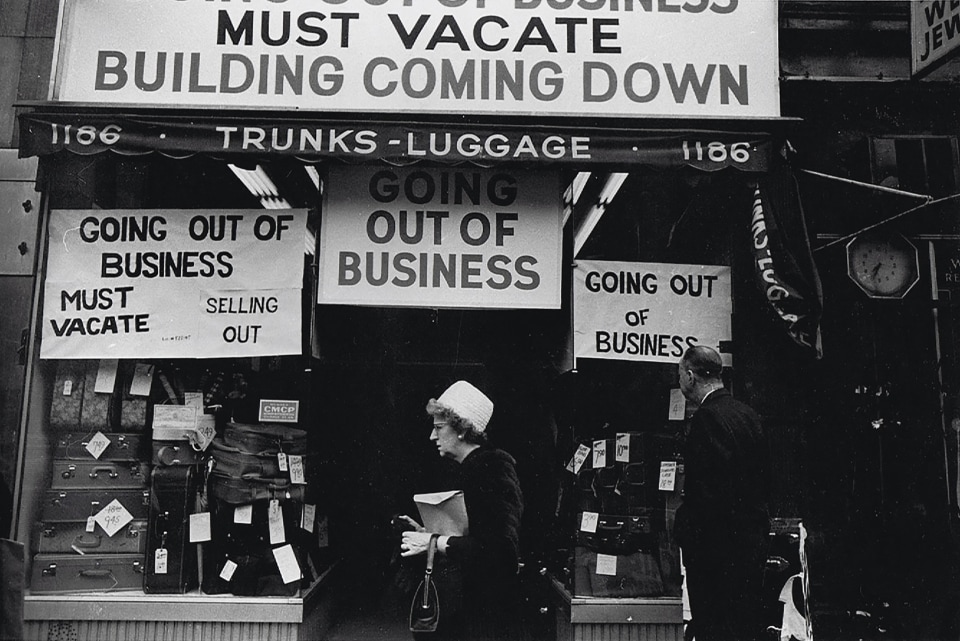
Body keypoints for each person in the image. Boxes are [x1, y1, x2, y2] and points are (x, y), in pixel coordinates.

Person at [397, 380, 524, 641]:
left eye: (439, 428)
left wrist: (432, 541)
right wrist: (427, 533)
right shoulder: (471, 469)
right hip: (470, 612)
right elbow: (472, 534)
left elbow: (501, 551)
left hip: (483, 619)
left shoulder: (492, 471)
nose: (432, 436)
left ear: (462, 430)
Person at [674, 346, 770, 641]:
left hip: (715, 558)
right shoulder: (749, 415)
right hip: (748, 551)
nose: (680, 383)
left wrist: (685, 530)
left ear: (690, 376)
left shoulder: (707, 419)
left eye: (680, 376)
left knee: (714, 629)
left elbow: (707, 495)